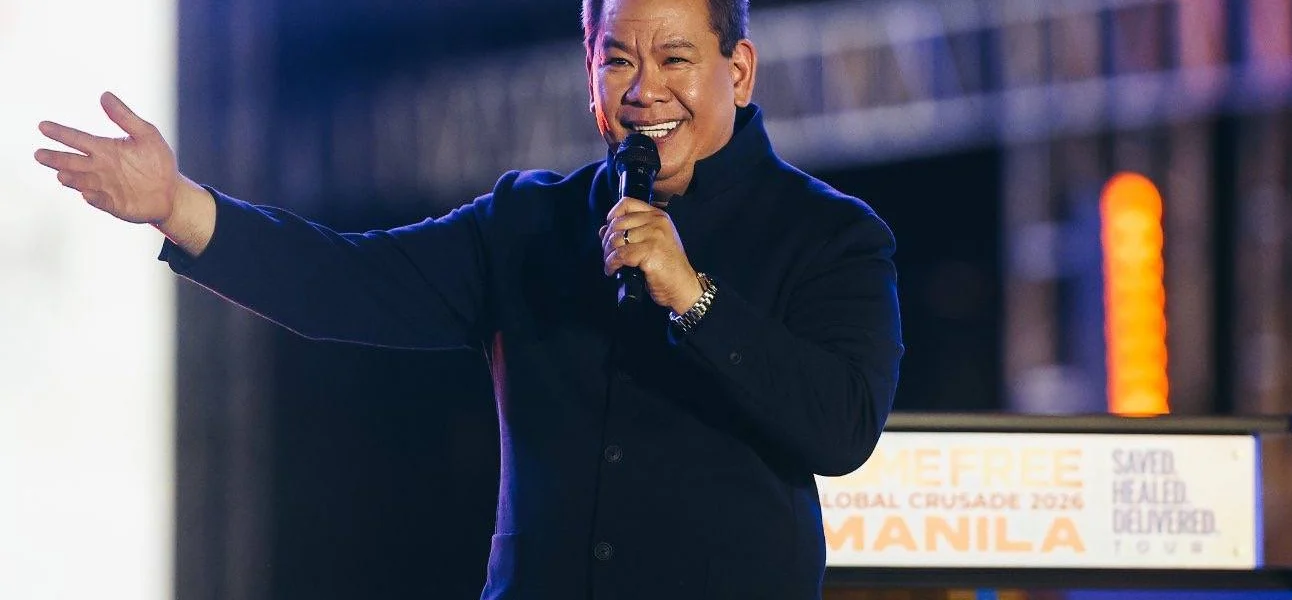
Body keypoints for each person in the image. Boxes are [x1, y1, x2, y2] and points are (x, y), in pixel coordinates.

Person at [31, 0, 904, 597]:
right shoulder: (529, 224)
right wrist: (178, 205)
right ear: (589, 74)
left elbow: (842, 427)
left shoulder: (831, 236)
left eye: (675, 58)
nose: (645, 90)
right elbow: (349, 283)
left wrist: (695, 297)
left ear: (738, 70)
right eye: (617, 60)